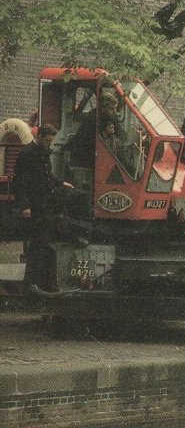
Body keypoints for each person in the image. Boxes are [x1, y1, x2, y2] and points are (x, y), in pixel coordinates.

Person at [12, 125, 62, 297]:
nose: (50, 144)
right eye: (48, 140)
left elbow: (47, 177)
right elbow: (19, 182)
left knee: (43, 244)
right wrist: (25, 206)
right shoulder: (28, 154)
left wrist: (61, 183)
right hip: (35, 206)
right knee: (37, 244)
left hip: (44, 205)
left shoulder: (43, 153)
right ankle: (31, 283)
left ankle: (39, 282)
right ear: (40, 137)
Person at [67, 89, 121, 169]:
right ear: (103, 108)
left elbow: (119, 132)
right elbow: (89, 142)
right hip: (85, 155)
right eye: (112, 109)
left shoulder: (108, 117)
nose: (115, 112)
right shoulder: (92, 119)